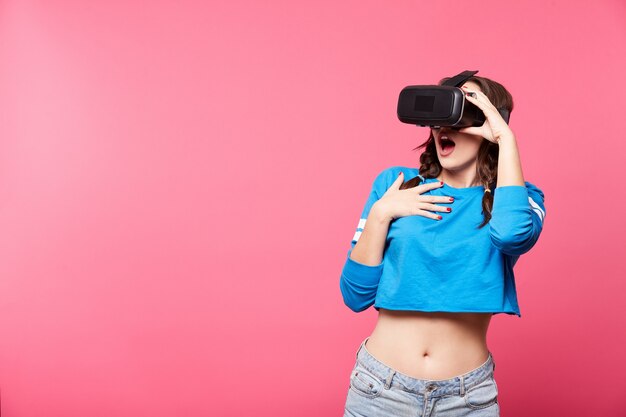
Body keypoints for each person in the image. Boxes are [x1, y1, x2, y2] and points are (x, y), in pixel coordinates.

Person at [340, 73, 546, 417]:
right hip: (380, 390)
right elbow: (355, 295)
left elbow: (511, 235)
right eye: (439, 117)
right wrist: (381, 214)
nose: (443, 127)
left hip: (467, 399)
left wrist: (506, 140)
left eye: (463, 111)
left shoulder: (520, 198)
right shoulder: (396, 184)